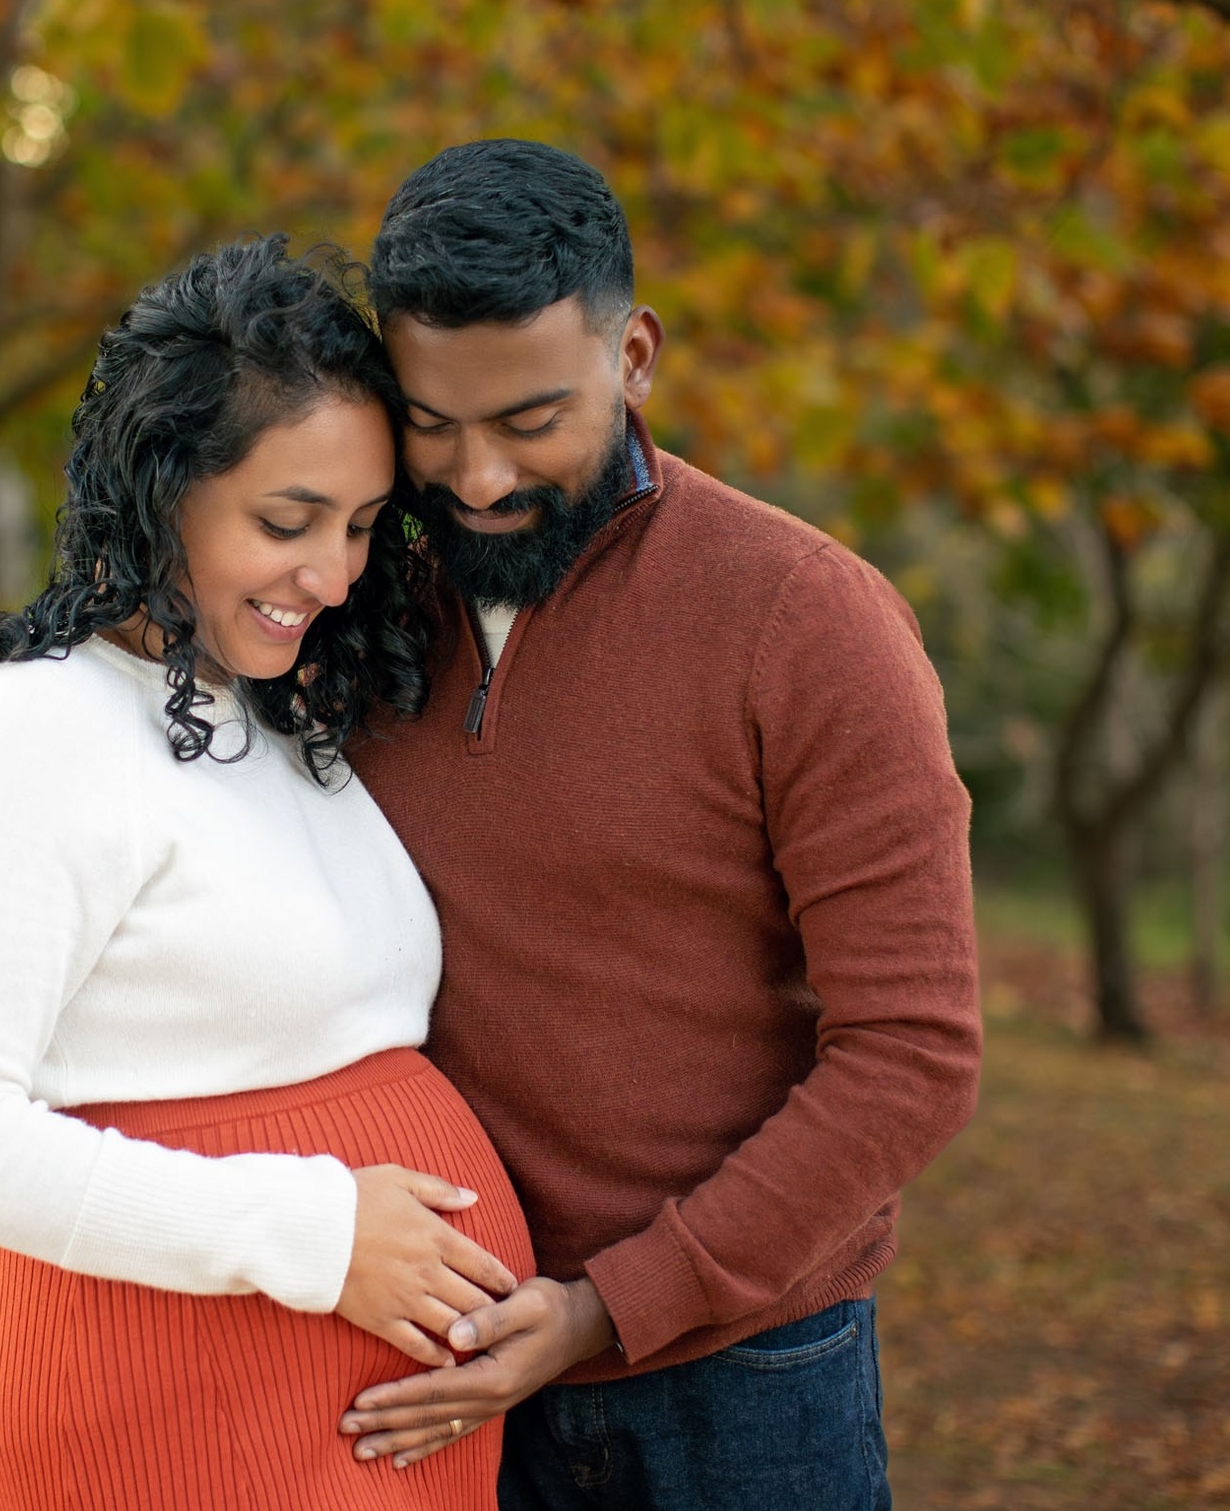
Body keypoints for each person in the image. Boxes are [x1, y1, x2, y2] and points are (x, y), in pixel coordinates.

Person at [335, 140, 983, 1510]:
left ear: (633, 356)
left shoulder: (806, 619)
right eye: (432, 423)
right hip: (435, 1366)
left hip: (746, 1385)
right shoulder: (350, 603)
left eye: (529, 418)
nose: (478, 477)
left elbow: (913, 1053)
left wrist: (609, 1305)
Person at [0, 234, 534, 1511]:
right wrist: (315, 1234)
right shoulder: (34, 725)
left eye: (356, 525)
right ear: (161, 487)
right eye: (286, 522)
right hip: (178, 1395)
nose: (331, 576)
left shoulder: (270, 705)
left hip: (366, 1416)